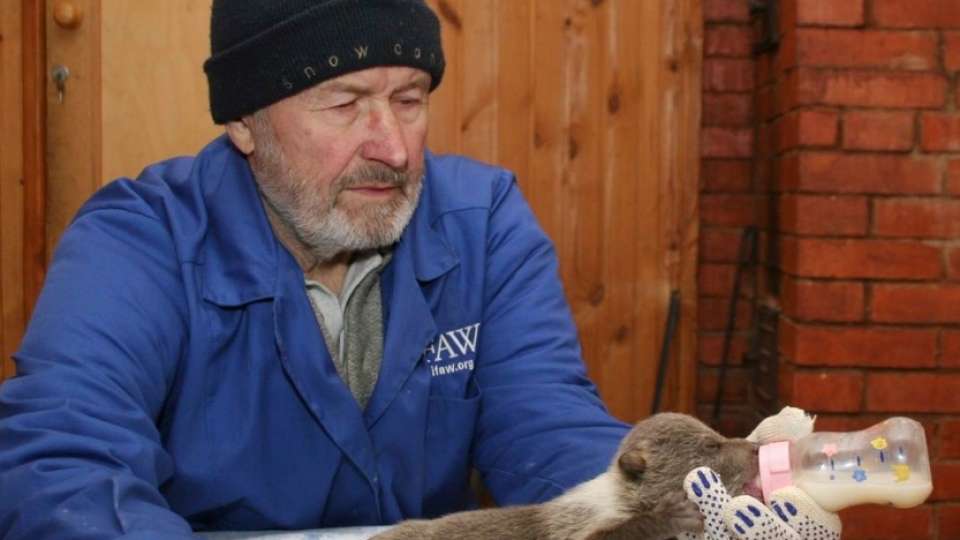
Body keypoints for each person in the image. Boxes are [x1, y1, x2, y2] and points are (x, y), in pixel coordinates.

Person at [0, 1, 840, 539]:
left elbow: (548, 431)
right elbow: (62, 475)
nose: (394, 147)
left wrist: (666, 508)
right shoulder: (137, 242)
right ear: (246, 123)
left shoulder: (482, 224)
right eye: (344, 102)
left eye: (410, 98)